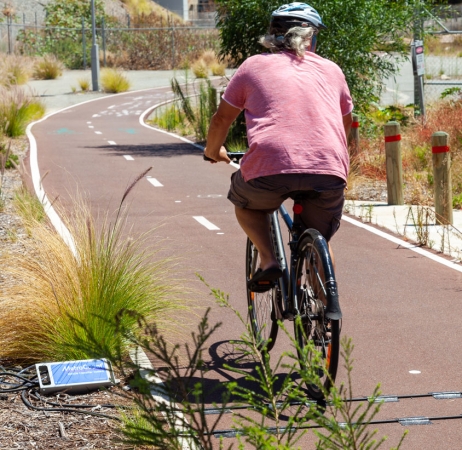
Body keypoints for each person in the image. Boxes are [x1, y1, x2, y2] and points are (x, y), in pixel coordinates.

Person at [204, 2, 353, 292]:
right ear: (311, 37)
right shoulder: (333, 71)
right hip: (328, 169)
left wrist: (213, 151)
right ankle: (326, 316)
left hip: (269, 167)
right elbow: (345, 124)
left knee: (246, 205)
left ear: (273, 36)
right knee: (320, 238)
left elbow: (222, 118)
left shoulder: (253, 66)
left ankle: (269, 259)